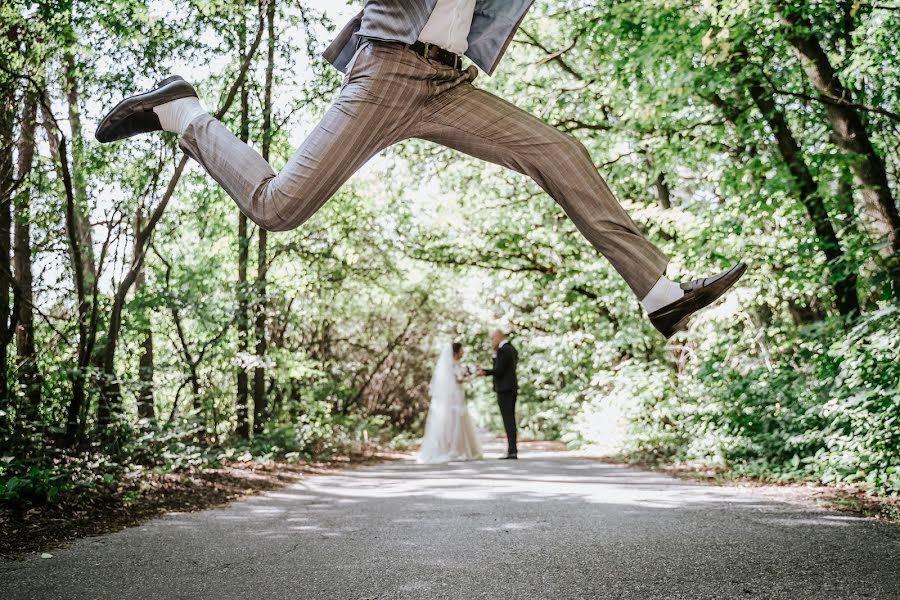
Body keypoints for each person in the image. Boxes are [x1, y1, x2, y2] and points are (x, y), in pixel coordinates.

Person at [95, 0, 746, 338]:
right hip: (385, 73)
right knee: (278, 207)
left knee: (557, 151)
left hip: (446, 84)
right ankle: (181, 112)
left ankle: (659, 295)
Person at [417, 342, 483, 464]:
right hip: (455, 396)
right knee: (454, 420)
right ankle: (454, 448)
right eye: (462, 350)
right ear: (456, 352)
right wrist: (473, 375)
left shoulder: (454, 364)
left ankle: (456, 447)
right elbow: (459, 379)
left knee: (457, 420)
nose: (463, 353)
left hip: (457, 394)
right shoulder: (452, 365)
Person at [477, 331, 518, 459]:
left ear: (499, 337)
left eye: (492, 338)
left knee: (508, 420)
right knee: (510, 419)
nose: (492, 341)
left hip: (504, 389)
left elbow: (499, 370)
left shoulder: (503, 350)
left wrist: (485, 372)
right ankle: (512, 449)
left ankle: (512, 450)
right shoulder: (512, 349)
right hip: (511, 388)